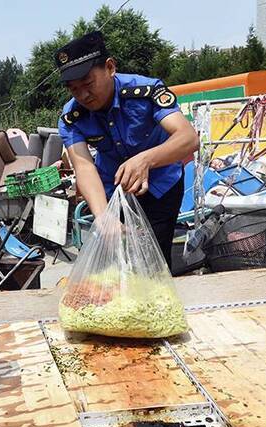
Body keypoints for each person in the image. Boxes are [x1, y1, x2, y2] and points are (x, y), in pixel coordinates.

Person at [54, 31, 199, 268]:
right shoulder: (72, 118)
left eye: (88, 84)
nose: (83, 95)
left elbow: (188, 138)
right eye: (73, 89)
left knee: (155, 262)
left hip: (162, 185)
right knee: (118, 262)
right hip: (115, 192)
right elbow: (83, 166)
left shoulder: (147, 91)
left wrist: (145, 160)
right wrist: (102, 216)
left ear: (110, 67)